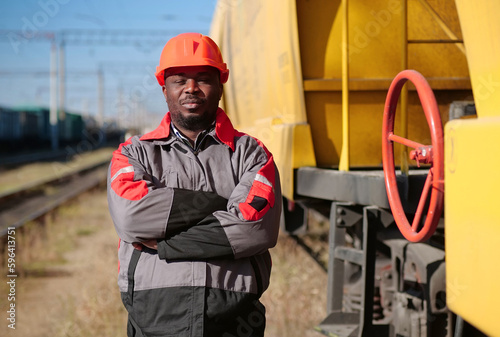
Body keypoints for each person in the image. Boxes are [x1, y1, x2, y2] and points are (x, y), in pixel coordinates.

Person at [107, 32, 282, 337]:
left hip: (235, 317)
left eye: (203, 78)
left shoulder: (253, 154)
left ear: (220, 86)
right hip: (154, 317)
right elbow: (132, 217)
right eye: (179, 80)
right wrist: (220, 205)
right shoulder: (133, 153)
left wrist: (166, 245)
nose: (191, 88)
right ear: (165, 89)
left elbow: (255, 228)